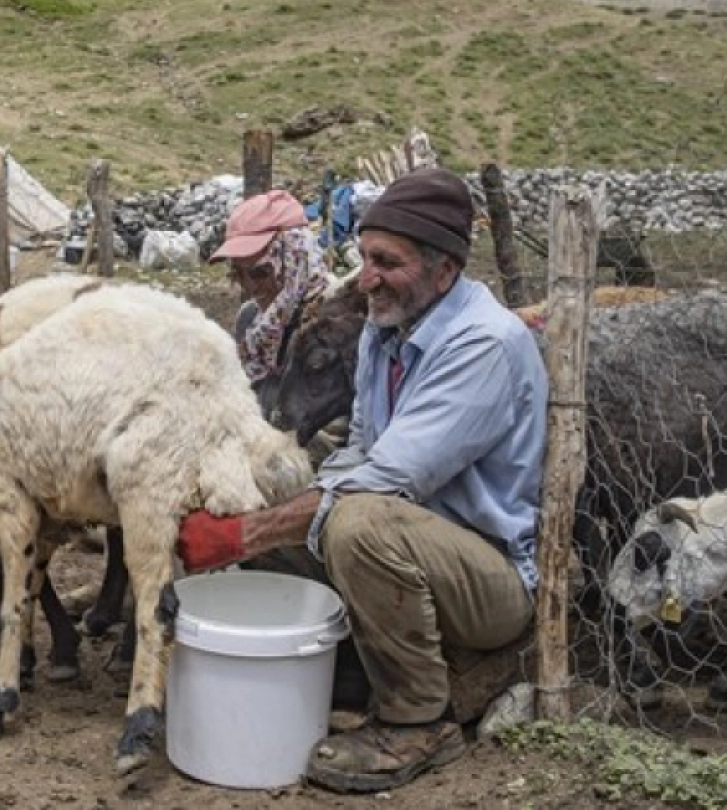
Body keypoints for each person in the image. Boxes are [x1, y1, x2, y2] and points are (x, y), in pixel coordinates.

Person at [177, 168, 547, 794]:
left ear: (445, 269)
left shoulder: (484, 344)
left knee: (354, 522)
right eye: (364, 257)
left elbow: (390, 476)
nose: (367, 277)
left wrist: (243, 537)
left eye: (387, 262)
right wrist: (269, 511)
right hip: (412, 545)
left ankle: (416, 720)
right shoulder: (387, 328)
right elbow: (357, 449)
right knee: (283, 492)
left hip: (487, 576)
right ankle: (344, 669)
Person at [209, 188, 333, 416]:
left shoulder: (334, 323)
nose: (251, 286)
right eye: (238, 274)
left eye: (261, 272)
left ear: (294, 260)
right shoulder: (250, 321)